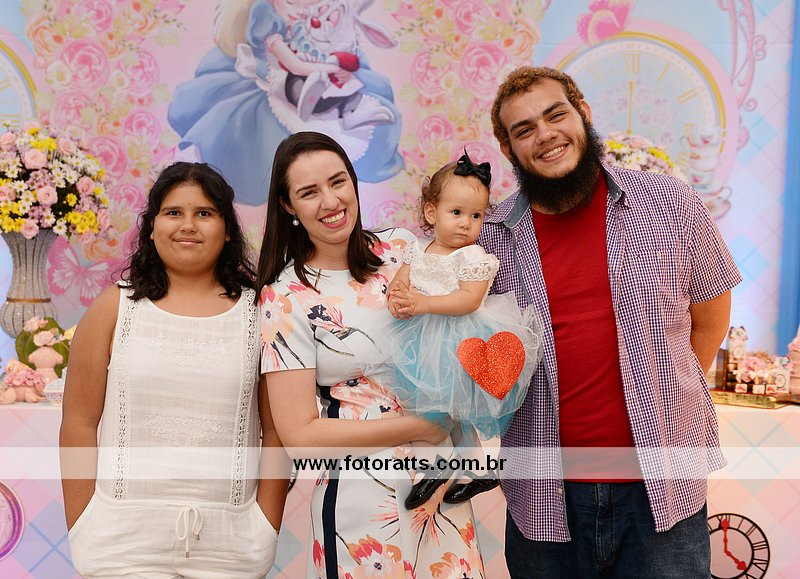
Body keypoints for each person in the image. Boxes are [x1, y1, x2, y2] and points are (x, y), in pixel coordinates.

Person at [480, 66, 742, 577]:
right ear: (509, 149)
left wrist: (667, 397)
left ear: (583, 113)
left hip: (663, 491)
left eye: (556, 115)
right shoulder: (491, 238)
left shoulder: (670, 204)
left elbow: (710, 318)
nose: (545, 135)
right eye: (524, 129)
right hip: (543, 497)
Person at [258, 131, 484, 577]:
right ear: (288, 206)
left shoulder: (400, 248)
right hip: (362, 498)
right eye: (309, 192)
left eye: (337, 181)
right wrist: (422, 426)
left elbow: (459, 317)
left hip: (442, 486)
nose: (330, 201)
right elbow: (299, 434)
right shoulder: (283, 298)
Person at [60, 162, 287, 578]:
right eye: (173, 212)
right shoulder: (113, 308)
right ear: (151, 226)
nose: (188, 225)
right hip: (119, 545)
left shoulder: (260, 314)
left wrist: (265, 526)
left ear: (228, 229)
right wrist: (82, 523)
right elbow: (78, 421)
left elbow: (276, 430)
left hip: (231, 546)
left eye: (204, 213)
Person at [377, 152, 542, 509]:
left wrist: (422, 303)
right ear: (431, 212)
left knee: (452, 407)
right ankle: (468, 468)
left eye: (476, 216)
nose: (467, 224)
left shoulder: (473, 257)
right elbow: (400, 283)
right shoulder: (417, 250)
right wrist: (398, 298)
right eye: (456, 213)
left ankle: (452, 465)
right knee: (436, 406)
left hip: (460, 338)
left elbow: (468, 299)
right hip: (421, 337)